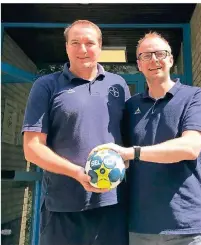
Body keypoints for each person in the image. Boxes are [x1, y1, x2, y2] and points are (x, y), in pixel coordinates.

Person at [91, 32, 201, 245]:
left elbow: (191, 147)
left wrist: (133, 152)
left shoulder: (194, 96)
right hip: (142, 228)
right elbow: (124, 160)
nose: (154, 60)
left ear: (170, 59)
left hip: (189, 227)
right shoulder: (131, 107)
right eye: (146, 56)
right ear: (139, 64)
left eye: (160, 53)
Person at [22, 20, 130, 245]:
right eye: (75, 42)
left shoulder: (118, 85)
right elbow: (32, 148)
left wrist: (124, 163)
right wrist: (77, 173)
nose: (83, 49)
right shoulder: (46, 86)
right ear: (66, 47)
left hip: (112, 206)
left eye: (90, 43)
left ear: (100, 47)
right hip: (62, 207)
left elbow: (128, 141)